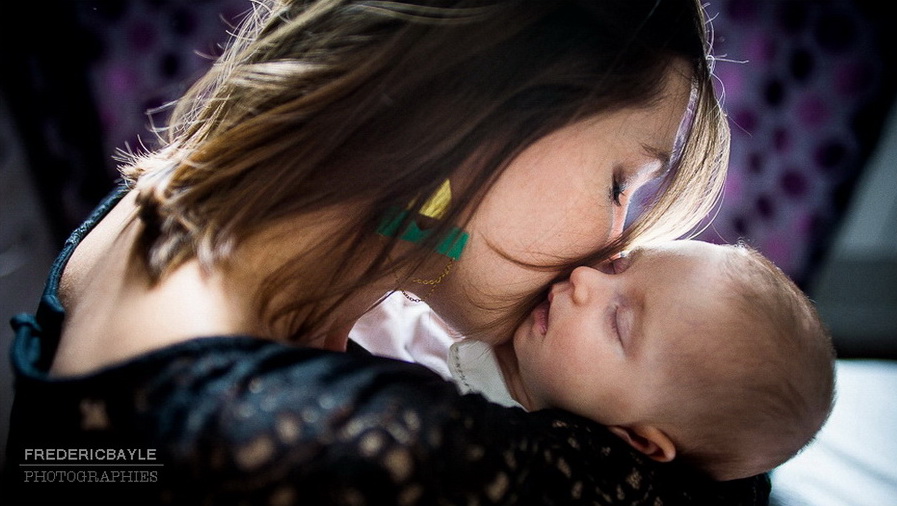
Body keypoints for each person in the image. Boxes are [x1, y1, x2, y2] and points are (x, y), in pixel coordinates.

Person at [2, 0, 771, 504]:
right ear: (483, 109)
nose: (614, 241)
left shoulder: (205, 187)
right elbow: (723, 481)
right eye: (618, 182)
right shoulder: (314, 434)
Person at [372, 240, 834, 482]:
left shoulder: (498, 454)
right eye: (618, 265)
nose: (583, 278)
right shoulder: (504, 306)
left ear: (637, 438)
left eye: (618, 322)